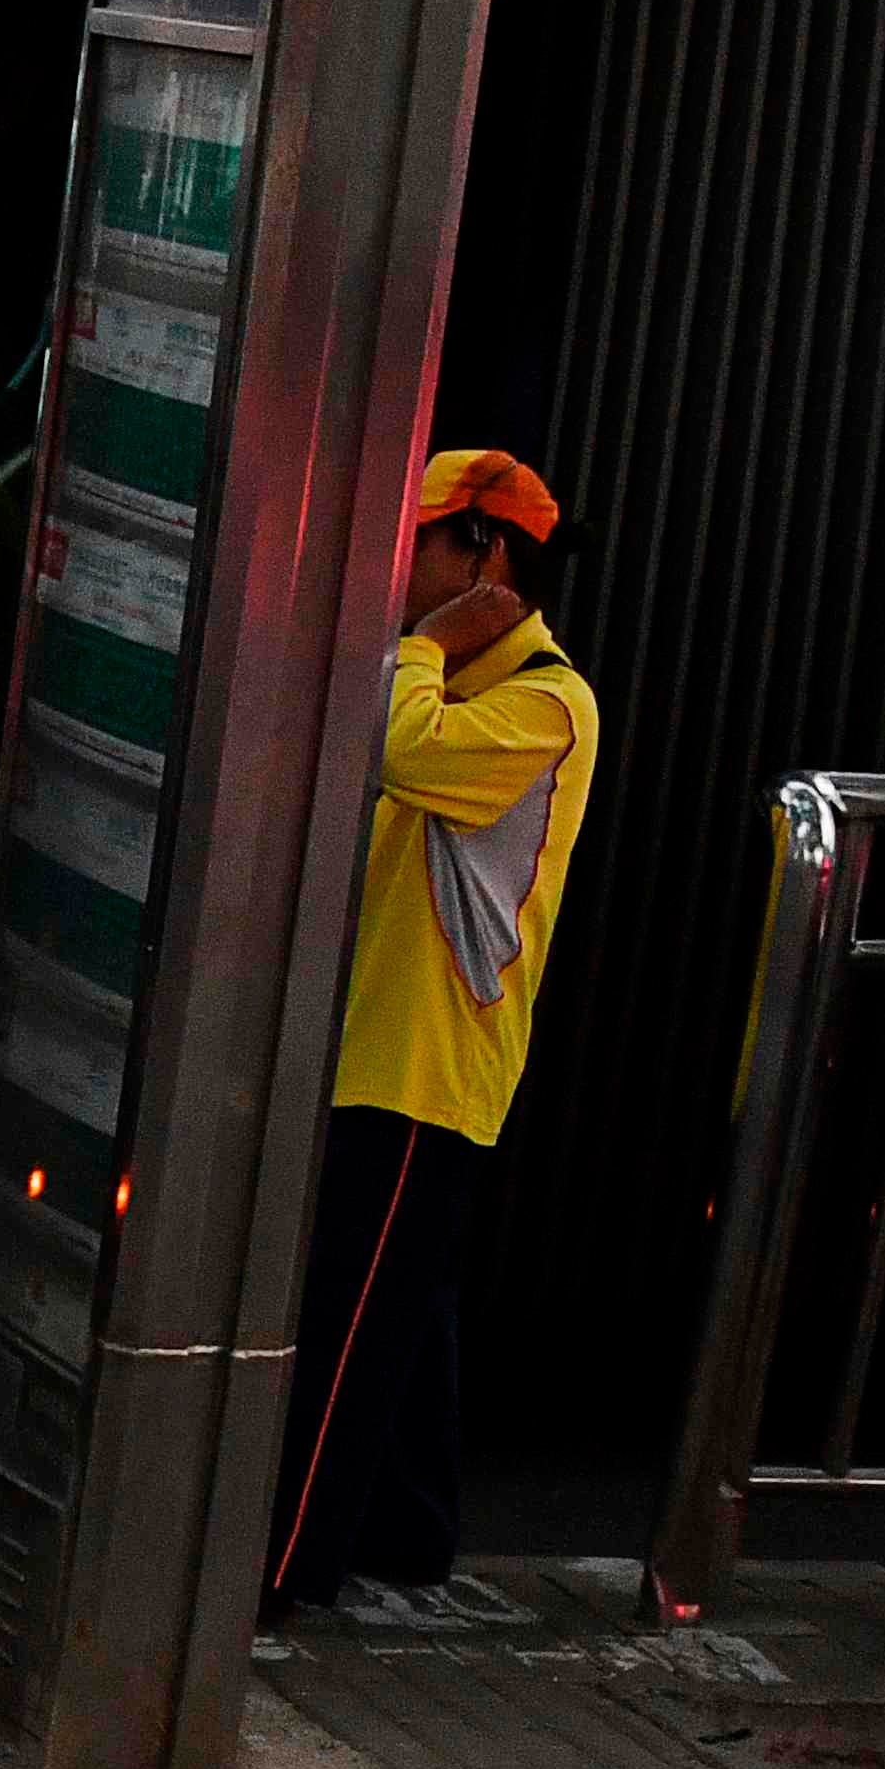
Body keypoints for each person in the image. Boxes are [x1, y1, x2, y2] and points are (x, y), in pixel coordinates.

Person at [274, 449, 600, 1622]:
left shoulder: (544, 704)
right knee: (404, 1306)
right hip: (375, 1040)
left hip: (424, 1065)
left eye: (411, 546)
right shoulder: (456, 682)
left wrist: (420, 649)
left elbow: (398, 752)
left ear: (485, 560)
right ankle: (409, 1530)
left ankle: (284, 1566)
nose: (388, 571)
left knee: (345, 1326)